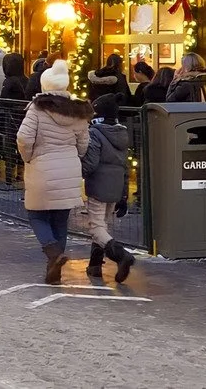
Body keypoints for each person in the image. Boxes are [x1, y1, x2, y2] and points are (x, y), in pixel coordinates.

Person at [17, 60, 92, 284]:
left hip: (41, 166)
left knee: (37, 214)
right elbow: (84, 142)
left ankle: (53, 255)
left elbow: (23, 137)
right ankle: (54, 267)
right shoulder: (78, 111)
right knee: (60, 216)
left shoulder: (38, 109)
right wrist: (74, 155)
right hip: (68, 168)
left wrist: (28, 156)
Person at [82, 93, 137, 282]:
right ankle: (94, 266)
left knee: (96, 228)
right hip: (115, 186)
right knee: (103, 226)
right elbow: (124, 165)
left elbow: (90, 163)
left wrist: (79, 169)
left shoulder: (95, 133)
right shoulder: (121, 133)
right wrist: (123, 194)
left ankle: (122, 256)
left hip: (98, 185)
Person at [0, 52, 30, 186]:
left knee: (9, 146)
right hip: (24, 116)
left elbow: (2, 99)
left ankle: (9, 176)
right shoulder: (26, 79)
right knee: (23, 144)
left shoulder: (9, 81)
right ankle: (21, 174)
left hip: (11, 116)